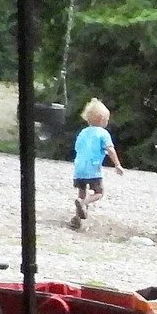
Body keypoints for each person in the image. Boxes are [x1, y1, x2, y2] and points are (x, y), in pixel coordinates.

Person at [69, 98, 123, 230]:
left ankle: (77, 218)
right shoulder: (103, 134)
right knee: (99, 192)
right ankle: (85, 202)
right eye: (107, 119)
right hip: (93, 169)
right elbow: (110, 149)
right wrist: (117, 164)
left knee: (81, 192)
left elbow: (77, 148)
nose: (108, 122)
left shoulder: (82, 132)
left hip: (79, 169)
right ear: (101, 119)